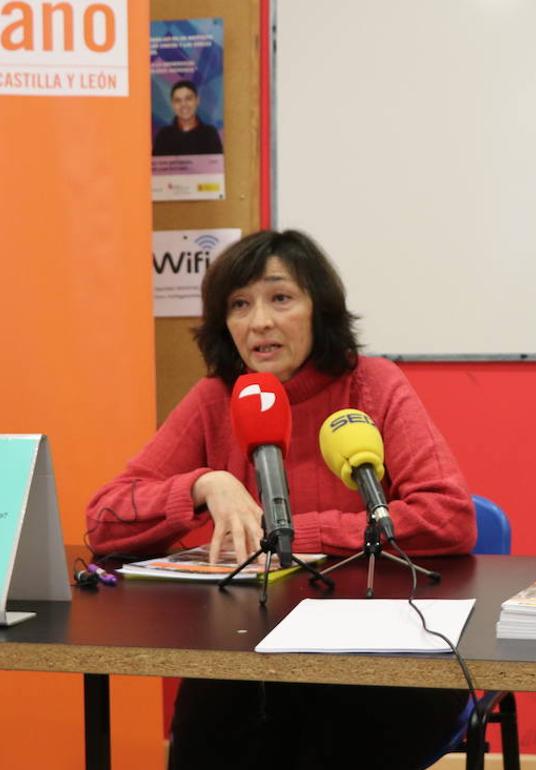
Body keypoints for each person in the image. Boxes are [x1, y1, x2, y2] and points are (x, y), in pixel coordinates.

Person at [85, 230, 476, 769]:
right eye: (239, 305)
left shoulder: (374, 385)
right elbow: (104, 519)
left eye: (280, 298)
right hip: (248, 649)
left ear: (321, 310)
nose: (259, 322)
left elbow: (448, 517)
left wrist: (288, 536)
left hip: (376, 650)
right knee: (210, 725)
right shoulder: (216, 398)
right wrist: (202, 485)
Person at [153, 80, 224, 156]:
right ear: (172, 105)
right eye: (178, 100)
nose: (183, 104)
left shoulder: (210, 134)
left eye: (188, 99)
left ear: (197, 100)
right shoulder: (163, 136)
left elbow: (215, 166)